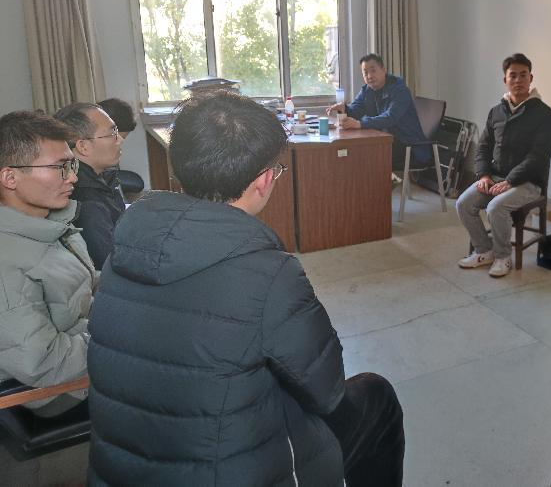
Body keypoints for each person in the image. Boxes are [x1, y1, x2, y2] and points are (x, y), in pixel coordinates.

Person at [87, 92, 405, 487]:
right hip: (229, 473)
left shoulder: (123, 248)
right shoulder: (269, 274)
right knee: (376, 396)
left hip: (120, 469)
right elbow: (326, 391)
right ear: (265, 179)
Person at [0, 111, 95, 418]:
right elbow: (43, 363)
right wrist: (120, 336)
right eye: (59, 168)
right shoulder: (6, 260)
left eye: (72, 165)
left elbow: (80, 285)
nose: (73, 177)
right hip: (52, 392)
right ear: (10, 178)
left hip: (85, 347)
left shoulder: (47, 224)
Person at [456, 53, 551, 278]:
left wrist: (511, 180)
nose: (518, 80)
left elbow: (539, 156)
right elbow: (483, 147)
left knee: (496, 208)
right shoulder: (496, 112)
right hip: (496, 178)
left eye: (523, 75)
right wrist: (484, 175)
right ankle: (484, 251)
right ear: (505, 80)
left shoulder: (545, 114)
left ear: (531, 78)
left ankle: (503, 257)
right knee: (463, 204)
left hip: (529, 182)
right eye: (513, 76)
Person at [54, 102, 125, 270]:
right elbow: (112, 267)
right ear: (83, 146)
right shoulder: (88, 204)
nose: (120, 139)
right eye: (112, 133)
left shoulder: (100, 178)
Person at [326, 53, 429, 169]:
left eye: (373, 70)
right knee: (353, 153)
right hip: (384, 140)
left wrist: (360, 123)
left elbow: (390, 118)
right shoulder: (367, 90)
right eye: (365, 73)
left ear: (384, 70)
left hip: (408, 145)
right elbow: (355, 110)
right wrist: (344, 108)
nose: (369, 76)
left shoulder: (400, 90)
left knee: (363, 156)